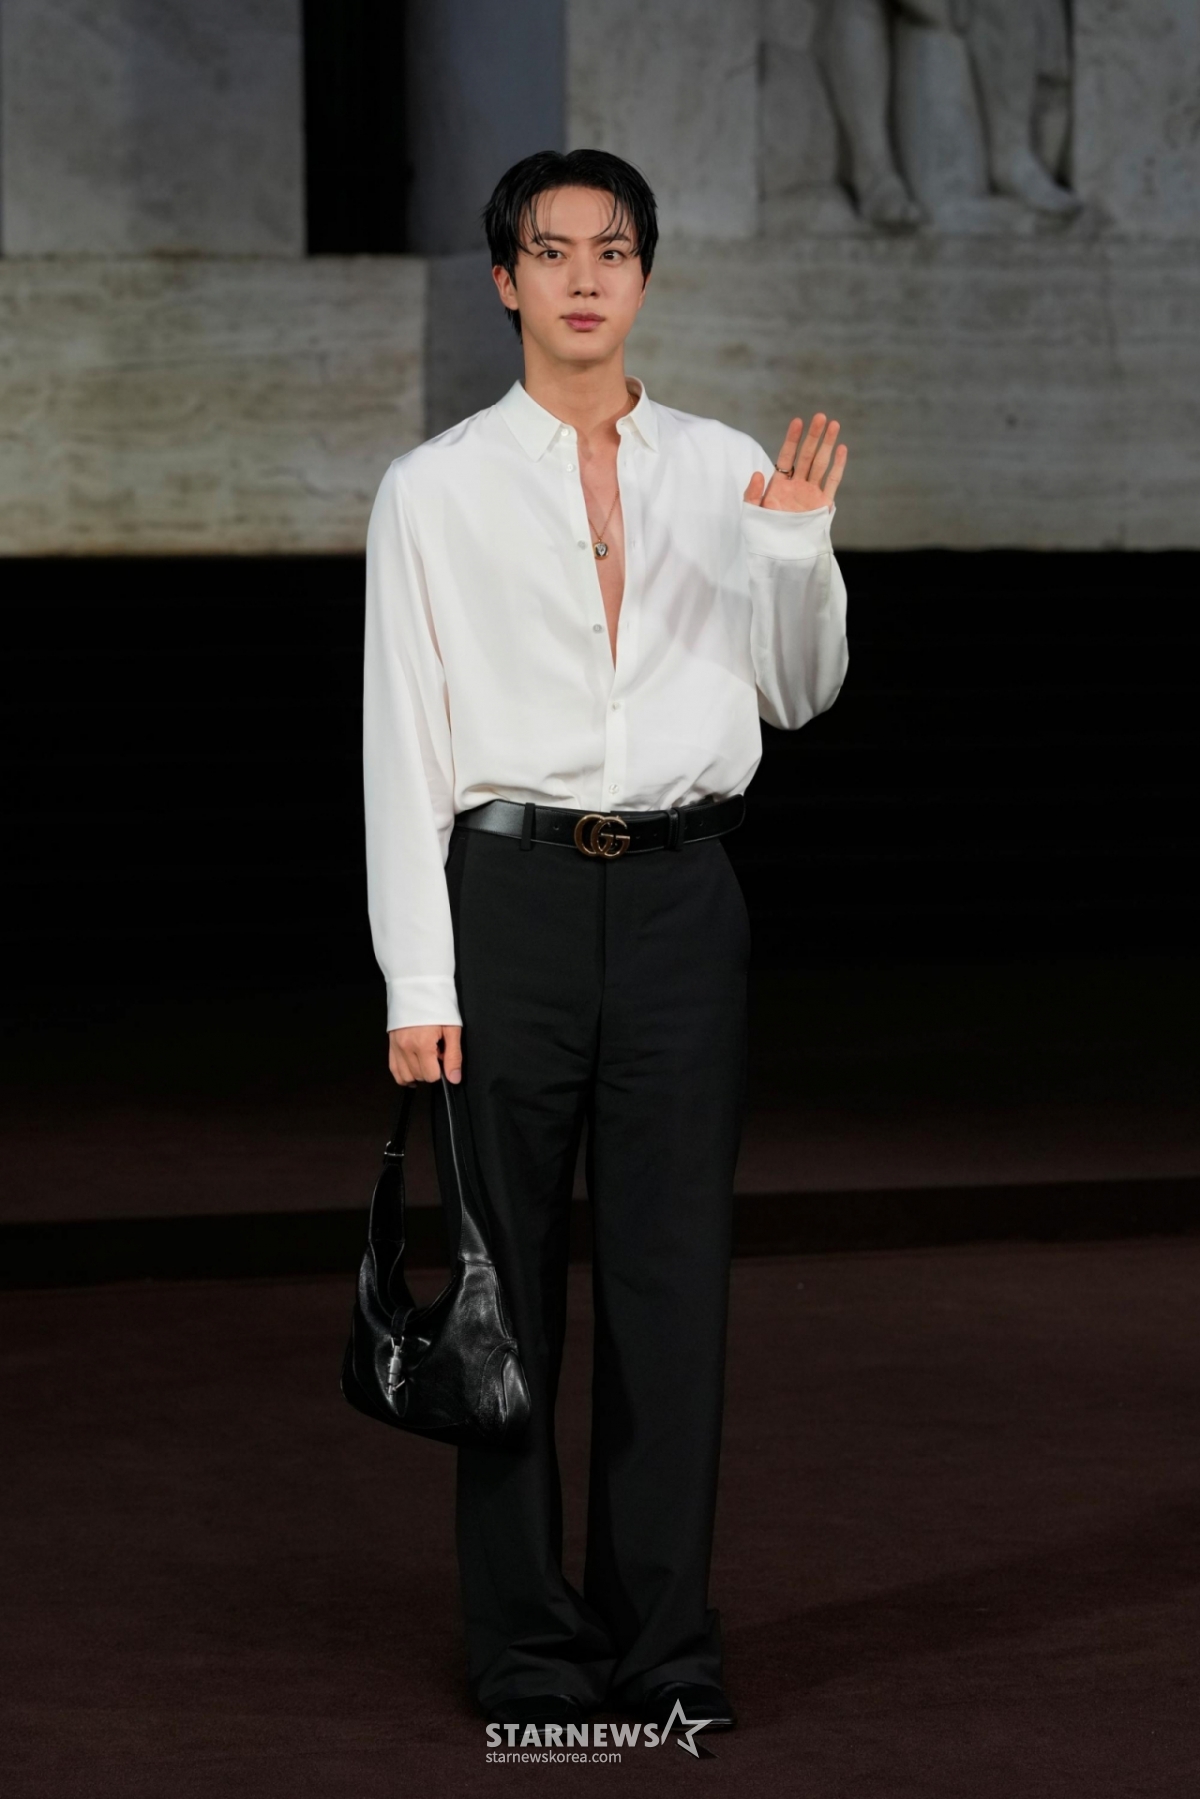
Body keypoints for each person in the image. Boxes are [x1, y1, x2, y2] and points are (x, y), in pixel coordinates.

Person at [362, 147, 848, 1733]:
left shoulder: (723, 467)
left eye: (614, 249)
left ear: (645, 276)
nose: (585, 276)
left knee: (671, 1284)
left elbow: (799, 694)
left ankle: (664, 1647)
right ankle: (526, 1650)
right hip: (505, 901)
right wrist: (418, 978)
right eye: (554, 249)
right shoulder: (434, 489)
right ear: (507, 278)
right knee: (503, 1292)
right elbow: (402, 746)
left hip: (684, 903)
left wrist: (795, 548)